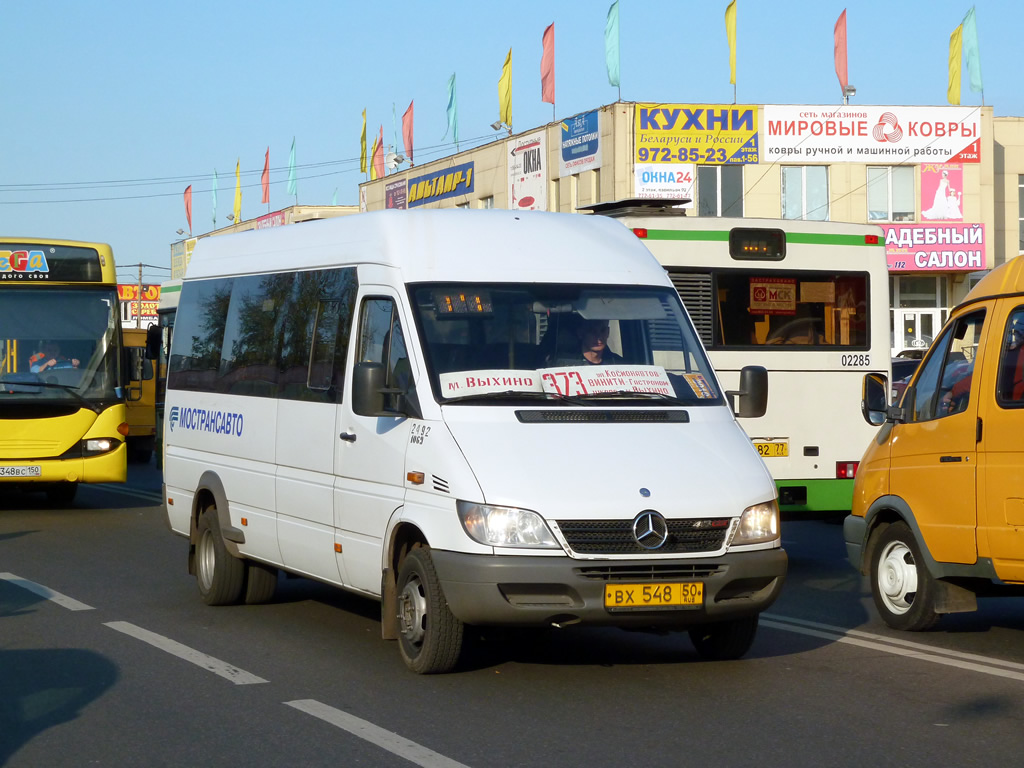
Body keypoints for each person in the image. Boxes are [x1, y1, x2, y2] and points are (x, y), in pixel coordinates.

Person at [553, 319, 623, 365]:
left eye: (602, 331)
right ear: (581, 333)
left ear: (608, 332)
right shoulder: (565, 363)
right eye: (592, 331)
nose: (599, 337)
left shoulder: (619, 364)